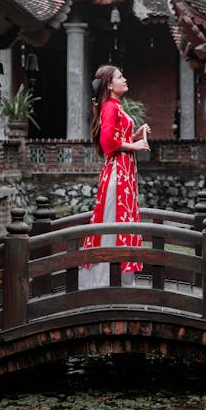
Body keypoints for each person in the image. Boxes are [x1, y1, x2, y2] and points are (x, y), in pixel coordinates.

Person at [79, 65, 150, 289]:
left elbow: (118, 137)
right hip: (118, 174)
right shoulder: (110, 107)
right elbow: (107, 143)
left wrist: (136, 135)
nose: (125, 79)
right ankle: (104, 282)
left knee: (121, 222)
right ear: (109, 84)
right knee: (114, 222)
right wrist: (136, 145)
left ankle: (116, 280)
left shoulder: (115, 106)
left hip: (124, 172)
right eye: (120, 76)